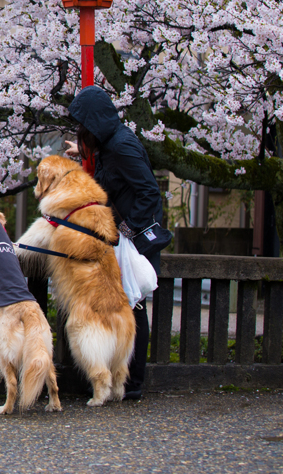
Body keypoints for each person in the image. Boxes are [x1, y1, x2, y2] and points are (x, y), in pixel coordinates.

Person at [64, 86, 173, 399]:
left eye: (83, 128)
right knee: (125, 308)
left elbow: (150, 192)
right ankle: (122, 380)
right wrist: (80, 153)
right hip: (124, 240)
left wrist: (127, 227)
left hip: (134, 243)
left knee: (133, 308)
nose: (81, 133)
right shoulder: (110, 145)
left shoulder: (121, 147)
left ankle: (133, 383)